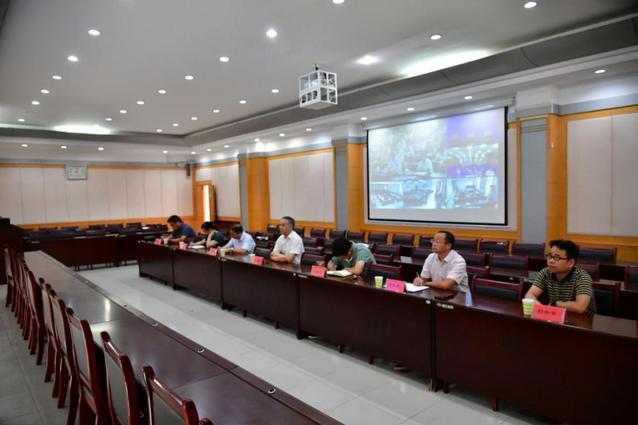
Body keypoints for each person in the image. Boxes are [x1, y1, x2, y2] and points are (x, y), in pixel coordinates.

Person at [524, 239, 596, 315]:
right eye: (550, 256)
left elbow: (580, 307)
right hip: (557, 316)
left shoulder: (582, 277)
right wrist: (539, 307)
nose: (551, 261)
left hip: (583, 319)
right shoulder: (546, 272)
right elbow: (529, 295)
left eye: (557, 258)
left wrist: (555, 304)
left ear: (571, 262)